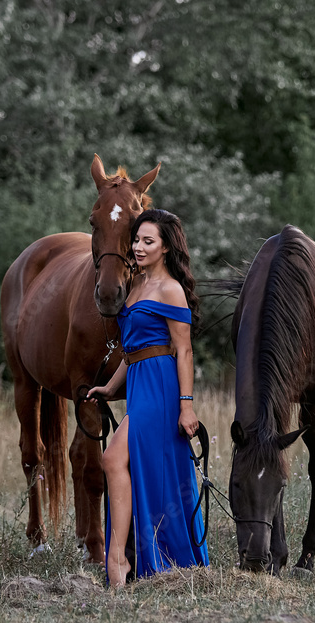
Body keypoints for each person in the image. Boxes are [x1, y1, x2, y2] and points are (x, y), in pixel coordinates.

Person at [87, 208, 209, 588]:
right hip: (139, 380)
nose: (138, 247)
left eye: (148, 241)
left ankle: (118, 558)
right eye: (137, 240)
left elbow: (183, 351)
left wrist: (186, 405)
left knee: (111, 459)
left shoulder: (171, 290)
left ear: (167, 247)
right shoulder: (136, 284)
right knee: (129, 466)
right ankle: (131, 556)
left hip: (161, 388)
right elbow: (132, 349)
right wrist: (110, 387)